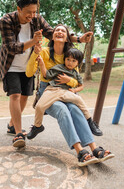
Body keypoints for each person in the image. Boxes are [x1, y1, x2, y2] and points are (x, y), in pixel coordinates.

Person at [0, 0, 93, 148]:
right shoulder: (6, 20)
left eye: (34, 12)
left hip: (29, 64)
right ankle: (18, 134)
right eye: (29, 12)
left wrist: (79, 39)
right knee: (15, 94)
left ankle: (12, 123)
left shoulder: (37, 18)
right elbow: (11, 47)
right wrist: (33, 41)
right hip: (11, 64)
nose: (32, 16)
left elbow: (51, 33)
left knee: (24, 97)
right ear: (18, 9)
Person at [26, 24, 113, 166]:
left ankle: (94, 148)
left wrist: (69, 80)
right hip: (49, 91)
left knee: (76, 110)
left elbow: (76, 82)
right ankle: (80, 151)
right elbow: (29, 73)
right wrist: (35, 53)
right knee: (63, 110)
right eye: (56, 30)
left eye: (63, 30)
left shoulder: (71, 55)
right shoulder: (44, 51)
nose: (59, 32)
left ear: (67, 37)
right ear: (52, 36)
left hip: (66, 91)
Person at [27, 48, 95, 140]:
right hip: (52, 90)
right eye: (68, 59)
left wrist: (75, 91)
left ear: (77, 63)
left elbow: (81, 86)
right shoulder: (59, 68)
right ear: (65, 59)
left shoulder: (76, 73)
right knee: (39, 106)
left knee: (79, 100)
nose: (70, 62)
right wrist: (42, 63)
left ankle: (90, 121)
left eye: (73, 61)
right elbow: (46, 75)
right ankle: (37, 126)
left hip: (66, 92)